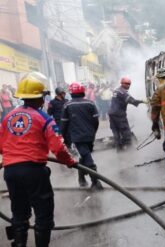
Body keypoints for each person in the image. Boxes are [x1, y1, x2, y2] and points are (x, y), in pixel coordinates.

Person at [0, 72, 76, 247]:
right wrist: (70, 162)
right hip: (34, 171)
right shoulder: (44, 118)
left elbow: (1, 145)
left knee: (19, 213)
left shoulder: (7, 118)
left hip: (11, 171)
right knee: (43, 214)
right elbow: (58, 148)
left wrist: (11, 156)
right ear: (40, 98)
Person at [61, 82, 102, 189]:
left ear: (71, 93)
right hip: (90, 136)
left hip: (77, 137)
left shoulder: (67, 105)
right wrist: (93, 132)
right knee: (86, 155)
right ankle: (85, 180)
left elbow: (64, 124)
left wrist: (63, 139)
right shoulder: (91, 103)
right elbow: (96, 121)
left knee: (85, 157)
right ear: (83, 92)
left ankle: (95, 182)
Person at [108, 77, 145, 151]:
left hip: (111, 114)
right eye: (126, 84)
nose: (128, 85)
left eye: (129, 84)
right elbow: (133, 101)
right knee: (126, 132)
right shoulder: (123, 93)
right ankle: (129, 150)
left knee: (116, 133)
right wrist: (143, 101)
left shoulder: (116, 90)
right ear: (122, 83)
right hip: (119, 115)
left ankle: (119, 150)